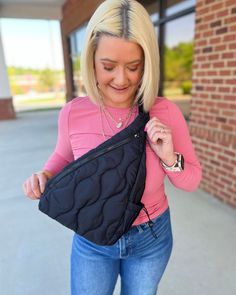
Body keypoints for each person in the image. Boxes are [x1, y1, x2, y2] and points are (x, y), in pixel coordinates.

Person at [23, 0, 202, 294]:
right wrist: (45, 174)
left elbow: (191, 180)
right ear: (91, 60)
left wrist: (169, 157)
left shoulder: (164, 112)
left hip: (150, 238)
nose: (122, 79)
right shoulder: (73, 112)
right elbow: (64, 155)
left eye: (133, 67)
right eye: (108, 67)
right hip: (92, 237)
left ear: (147, 63)